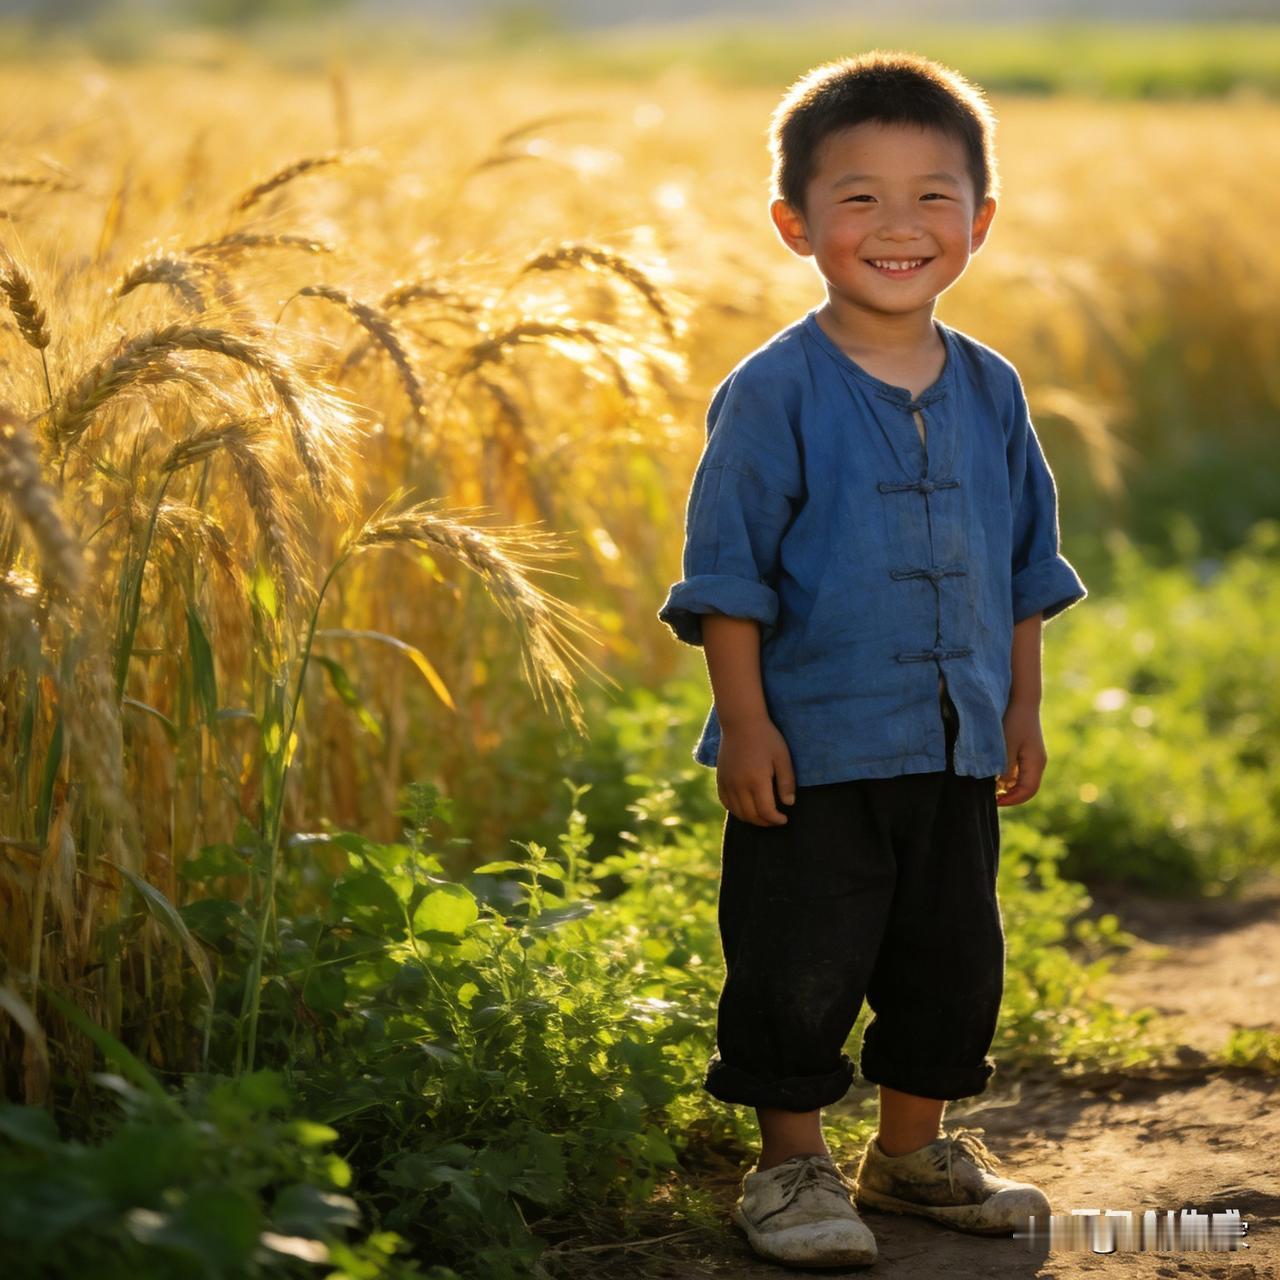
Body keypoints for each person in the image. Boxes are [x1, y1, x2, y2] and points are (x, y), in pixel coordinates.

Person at [656, 49, 1087, 1269]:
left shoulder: (991, 389)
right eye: (857, 198)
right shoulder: (773, 392)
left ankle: (908, 1154)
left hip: (954, 737)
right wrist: (743, 723)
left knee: (948, 957)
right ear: (794, 223)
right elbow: (726, 571)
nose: (896, 226)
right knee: (797, 964)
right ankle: (788, 1165)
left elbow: (1023, 563)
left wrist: (1021, 707)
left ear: (979, 221)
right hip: (815, 745)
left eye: (930, 197)